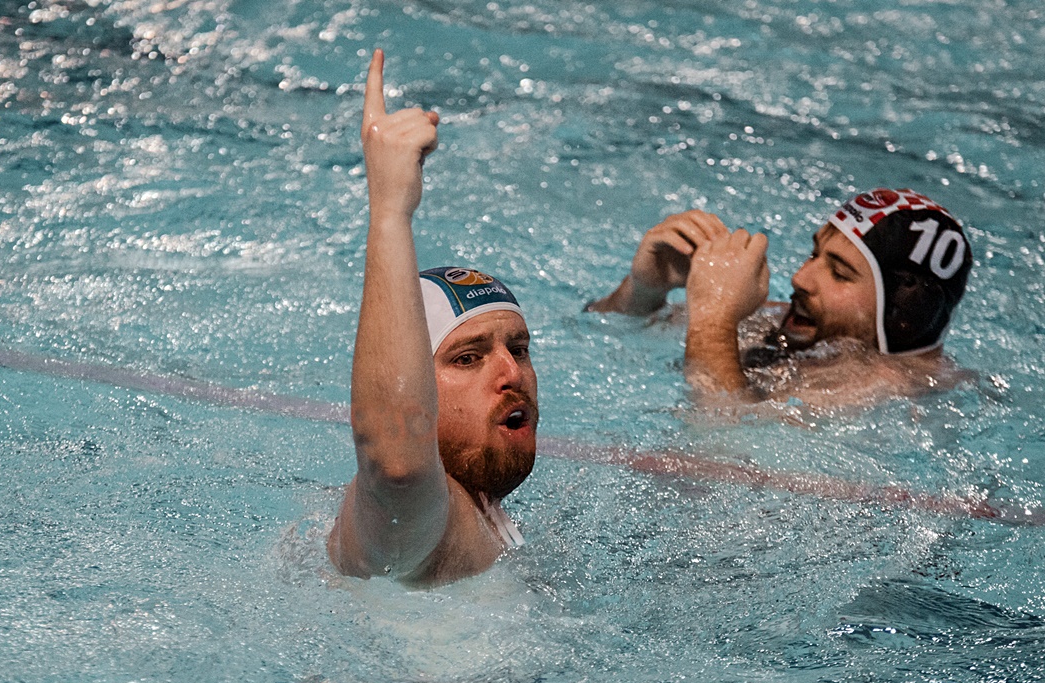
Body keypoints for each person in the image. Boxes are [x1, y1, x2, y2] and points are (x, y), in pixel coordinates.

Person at [327, 51, 539, 587]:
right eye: (466, 358)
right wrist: (390, 211)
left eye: (517, 347)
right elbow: (396, 465)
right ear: (420, 383)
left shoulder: (481, 512)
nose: (511, 373)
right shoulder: (411, 527)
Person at [587, 188, 973, 406]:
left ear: (902, 316)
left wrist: (714, 320)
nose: (801, 277)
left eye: (839, 272)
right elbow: (599, 331)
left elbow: (719, 438)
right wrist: (645, 291)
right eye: (814, 253)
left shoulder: (889, 390)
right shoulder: (795, 326)